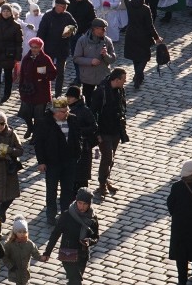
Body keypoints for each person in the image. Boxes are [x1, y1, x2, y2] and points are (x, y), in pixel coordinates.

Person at [34, 97, 83, 226]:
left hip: (70, 161)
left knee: (67, 189)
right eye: (62, 111)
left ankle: (66, 214)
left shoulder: (72, 119)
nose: (66, 113)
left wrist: (78, 151)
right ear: (54, 112)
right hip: (52, 162)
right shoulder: (44, 123)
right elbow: (38, 144)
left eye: (67, 110)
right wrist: (41, 162)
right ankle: (51, 215)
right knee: (52, 190)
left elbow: (78, 136)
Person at [40, 188, 99, 285]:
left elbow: (96, 236)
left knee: (73, 281)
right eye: (79, 203)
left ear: (89, 204)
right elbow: (55, 234)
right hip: (68, 254)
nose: (82, 206)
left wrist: (90, 241)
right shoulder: (67, 215)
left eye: (85, 204)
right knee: (76, 282)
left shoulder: (92, 218)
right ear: (76, 201)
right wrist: (47, 252)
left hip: (82, 255)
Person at [90, 68, 128, 198]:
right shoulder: (101, 92)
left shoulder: (120, 90)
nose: (125, 81)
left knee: (111, 158)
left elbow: (122, 106)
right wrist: (96, 133)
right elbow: (93, 112)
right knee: (107, 157)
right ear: (116, 80)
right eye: (123, 79)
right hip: (103, 130)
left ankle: (106, 180)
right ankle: (101, 184)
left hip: (116, 129)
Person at [167, 160, 192, 285]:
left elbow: (171, 205)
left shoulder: (177, 187)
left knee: (182, 255)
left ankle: (182, 280)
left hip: (180, 228)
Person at [37, 0, 77, 98]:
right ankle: (43, 91)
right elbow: (41, 32)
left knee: (60, 73)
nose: (64, 9)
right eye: (62, 6)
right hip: (49, 48)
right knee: (45, 71)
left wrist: (71, 32)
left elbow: (75, 26)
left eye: (65, 7)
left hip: (62, 48)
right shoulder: (48, 16)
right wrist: (39, 46)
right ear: (56, 6)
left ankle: (58, 94)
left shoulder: (67, 16)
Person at [124, 0, 162, 89]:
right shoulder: (146, 9)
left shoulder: (130, 4)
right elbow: (150, 26)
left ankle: (139, 77)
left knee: (136, 58)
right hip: (143, 36)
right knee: (144, 57)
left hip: (131, 35)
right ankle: (138, 75)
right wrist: (157, 38)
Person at [72, 18, 115, 104]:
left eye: (105, 29)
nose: (104, 31)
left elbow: (112, 59)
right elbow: (76, 58)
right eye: (102, 29)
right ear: (94, 29)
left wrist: (105, 55)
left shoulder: (107, 41)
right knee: (87, 101)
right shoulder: (82, 41)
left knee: (103, 102)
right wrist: (90, 61)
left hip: (103, 76)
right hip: (88, 77)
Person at [0, 4, 22, 104]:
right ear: (1, 12)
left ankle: (6, 94)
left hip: (9, 53)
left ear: (11, 12)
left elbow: (19, 42)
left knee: (8, 75)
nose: (5, 13)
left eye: (7, 11)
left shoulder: (16, 26)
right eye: (4, 11)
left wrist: (18, 56)